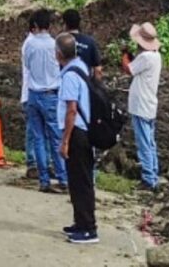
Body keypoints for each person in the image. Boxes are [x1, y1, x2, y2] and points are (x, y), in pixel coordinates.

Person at [57, 32, 98, 245]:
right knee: (78, 180)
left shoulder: (70, 76)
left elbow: (71, 110)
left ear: (58, 54)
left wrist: (64, 140)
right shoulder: (81, 66)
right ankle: (80, 222)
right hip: (84, 131)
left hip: (77, 133)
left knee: (81, 182)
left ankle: (89, 228)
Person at [22, 8, 67, 194]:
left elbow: (27, 65)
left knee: (38, 138)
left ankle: (44, 180)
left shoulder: (29, 44)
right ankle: (63, 178)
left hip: (33, 93)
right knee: (56, 138)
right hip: (51, 93)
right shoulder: (55, 44)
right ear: (49, 25)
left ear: (34, 26)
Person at [124, 22, 163, 192]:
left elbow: (128, 69)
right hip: (149, 104)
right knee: (150, 141)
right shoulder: (155, 56)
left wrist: (124, 54)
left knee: (144, 142)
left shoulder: (146, 57)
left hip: (141, 105)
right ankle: (153, 174)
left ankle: (148, 178)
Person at [61, 9, 103, 80]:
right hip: (85, 83)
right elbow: (97, 69)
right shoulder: (89, 41)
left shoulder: (60, 41)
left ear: (65, 24)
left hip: (64, 82)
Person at [21, 15, 37, 179]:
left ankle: (38, 162)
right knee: (33, 131)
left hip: (33, 92)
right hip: (32, 93)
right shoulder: (31, 44)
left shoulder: (32, 43)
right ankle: (32, 162)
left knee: (38, 131)